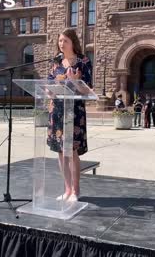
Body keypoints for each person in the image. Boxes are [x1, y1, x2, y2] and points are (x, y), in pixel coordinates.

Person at [47, 28, 92, 202]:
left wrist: (74, 81)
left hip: (74, 112)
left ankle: (76, 190)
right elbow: (50, 83)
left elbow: (87, 90)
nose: (61, 44)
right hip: (57, 110)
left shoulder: (83, 62)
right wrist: (48, 90)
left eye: (65, 41)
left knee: (71, 151)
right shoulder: (56, 62)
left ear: (73, 42)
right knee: (60, 151)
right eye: (59, 41)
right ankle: (66, 189)